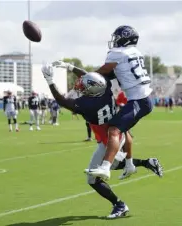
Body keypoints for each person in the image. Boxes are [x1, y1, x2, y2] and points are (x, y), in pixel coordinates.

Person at [41, 64, 162, 219]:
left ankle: (119, 205)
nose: (80, 86)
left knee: (93, 179)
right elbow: (91, 76)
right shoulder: (104, 88)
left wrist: (50, 80)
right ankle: (147, 163)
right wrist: (70, 67)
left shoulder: (87, 104)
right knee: (116, 164)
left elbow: (62, 100)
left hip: (109, 141)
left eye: (83, 87)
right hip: (116, 133)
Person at [53, 26, 153, 181]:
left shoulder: (117, 54)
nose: (115, 41)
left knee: (114, 131)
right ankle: (129, 165)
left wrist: (75, 74)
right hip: (141, 98)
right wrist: (71, 67)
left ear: (124, 38)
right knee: (123, 130)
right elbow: (101, 75)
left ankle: (105, 168)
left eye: (117, 37)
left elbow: (95, 75)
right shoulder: (134, 52)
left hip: (139, 100)